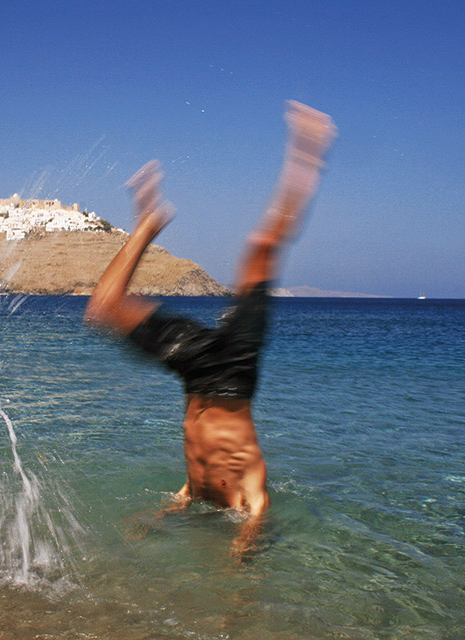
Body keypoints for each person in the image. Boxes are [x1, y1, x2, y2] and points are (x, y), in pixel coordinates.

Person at [84, 101, 336, 556]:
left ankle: (147, 224)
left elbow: (193, 481)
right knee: (262, 249)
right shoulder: (247, 491)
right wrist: (245, 547)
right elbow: (259, 506)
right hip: (234, 369)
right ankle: (308, 153)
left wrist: (162, 515)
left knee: (102, 309)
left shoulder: (205, 493)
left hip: (196, 372)